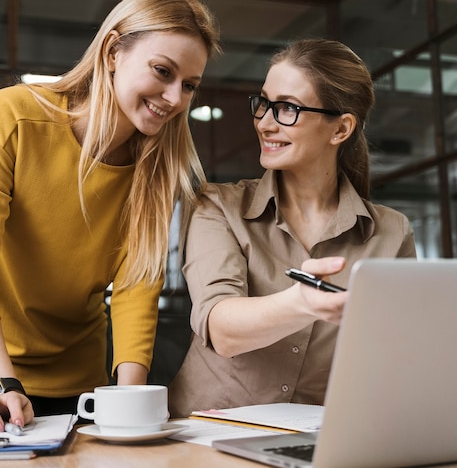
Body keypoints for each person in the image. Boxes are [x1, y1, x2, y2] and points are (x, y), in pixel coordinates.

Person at [0, 0, 221, 433]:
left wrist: (129, 399)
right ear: (112, 52)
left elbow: (135, 288)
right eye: (163, 71)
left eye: (189, 86)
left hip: (79, 374)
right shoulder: (13, 116)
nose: (175, 97)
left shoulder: (158, 170)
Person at [168, 38, 416, 418]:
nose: (265, 122)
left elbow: (396, 353)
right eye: (264, 103)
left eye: (287, 108)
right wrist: (302, 303)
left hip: (314, 440)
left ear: (340, 129)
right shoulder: (217, 206)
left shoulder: (392, 233)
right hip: (209, 434)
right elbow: (221, 327)